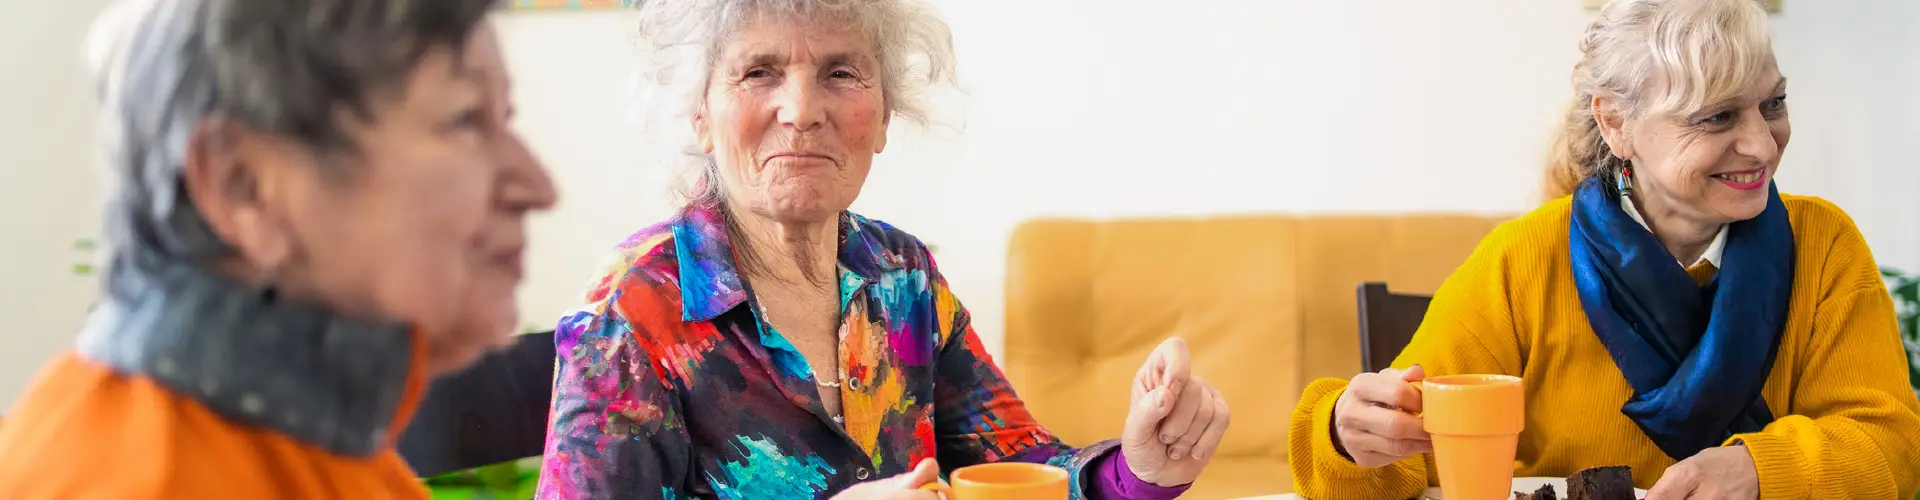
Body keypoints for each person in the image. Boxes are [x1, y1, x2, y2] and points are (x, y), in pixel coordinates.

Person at [535, 1, 1229, 499]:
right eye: (758, 73)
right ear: (701, 116)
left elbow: (1021, 473)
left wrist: (1138, 470)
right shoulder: (631, 310)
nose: (803, 109)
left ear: (885, 119)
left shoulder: (901, 278)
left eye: (841, 74)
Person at [1286, 0, 1920, 498]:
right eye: (1717, 117)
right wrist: (1347, 433)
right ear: (1617, 124)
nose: (1762, 145)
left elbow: (1892, 447)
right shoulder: (1524, 258)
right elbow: (1404, 459)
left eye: (1773, 104)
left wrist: (1759, 470)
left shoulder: (1825, 244)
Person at [0, 0, 557, 497]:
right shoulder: (137, 481)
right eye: (464, 120)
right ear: (242, 184)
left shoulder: (335, 458)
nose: (539, 187)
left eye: (504, 121)